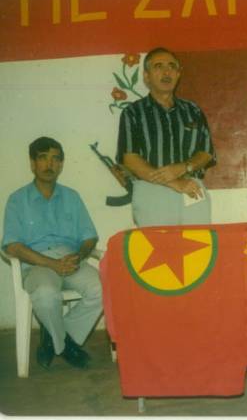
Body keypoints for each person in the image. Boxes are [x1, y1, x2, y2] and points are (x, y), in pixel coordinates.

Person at [2, 137, 102, 369]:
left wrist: (79, 256)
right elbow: (12, 246)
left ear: (62, 164)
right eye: (43, 158)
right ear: (32, 163)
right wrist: (52, 264)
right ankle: (66, 346)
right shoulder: (17, 200)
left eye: (55, 159)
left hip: (70, 259)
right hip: (37, 263)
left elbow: (89, 236)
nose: (50, 164)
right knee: (46, 294)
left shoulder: (72, 197)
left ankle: (55, 336)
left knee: (102, 289)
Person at [116, 47, 216, 226]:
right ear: (146, 76)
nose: (166, 72)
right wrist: (174, 182)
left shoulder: (193, 111)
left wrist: (184, 167)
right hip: (152, 190)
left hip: (192, 188)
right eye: (158, 66)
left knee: (198, 242)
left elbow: (206, 153)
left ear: (178, 74)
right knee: (157, 244)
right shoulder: (133, 112)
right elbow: (130, 159)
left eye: (171, 66)